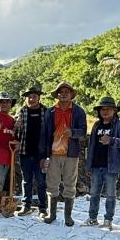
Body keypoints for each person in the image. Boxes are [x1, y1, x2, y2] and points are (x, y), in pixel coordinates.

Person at [40, 81, 87, 226]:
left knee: (70, 185)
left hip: (71, 154)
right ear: (57, 94)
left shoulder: (79, 111)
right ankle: (52, 214)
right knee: (52, 184)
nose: (64, 93)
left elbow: (83, 132)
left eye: (67, 91)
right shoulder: (50, 111)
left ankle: (68, 216)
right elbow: (44, 135)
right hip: (53, 153)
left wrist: (72, 132)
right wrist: (43, 156)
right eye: (61, 91)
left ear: (72, 94)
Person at [84, 96, 120, 229]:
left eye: (108, 109)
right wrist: (88, 164)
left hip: (111, 166)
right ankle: (92, 218)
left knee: (111, 194)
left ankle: (108, 220)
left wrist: (111, 140)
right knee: (94, 194)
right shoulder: (96, 125)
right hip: (96, 165)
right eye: (102, 109)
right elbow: (91, 145)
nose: (105, 112)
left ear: (114, 110)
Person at [13, 83, 48, 216]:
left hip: (41, 154)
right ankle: (26, 206)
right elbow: (15, 131)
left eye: (34, 97)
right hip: (25, 151)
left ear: (39, 98)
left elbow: (50, 131)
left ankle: (43, 208)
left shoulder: (46, 111)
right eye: (28, 97)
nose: (31, 99)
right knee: (26, 181)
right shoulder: (21, 111)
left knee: (41, 181)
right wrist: (16, 125)